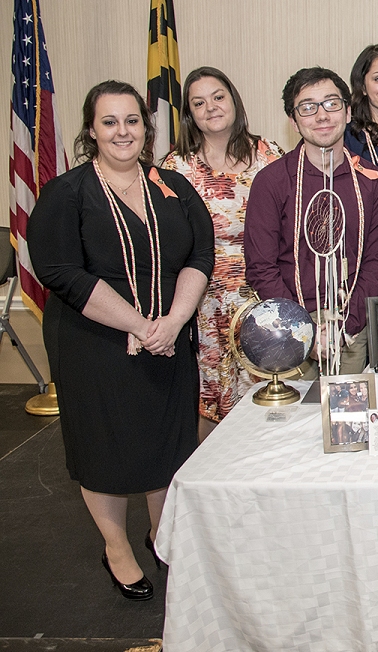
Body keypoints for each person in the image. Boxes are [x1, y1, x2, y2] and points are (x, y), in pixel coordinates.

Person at [27, 80, 215, 600]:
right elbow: (60, 271)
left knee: (166, 444)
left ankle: (161, 534)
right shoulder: (67, 193)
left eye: (131, 120)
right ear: (92, 129)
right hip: (95, 344)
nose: (122, 131)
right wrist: (137, 325)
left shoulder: (173, 187)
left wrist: (172, 323)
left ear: (145, 127)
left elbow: (200, 256)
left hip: (170, 339)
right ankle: (116, 547)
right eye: (109, 122)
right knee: (104, 446)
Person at [160, 67, 284, 436]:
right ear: (189, 114)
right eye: (199, 102)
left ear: (234, 101)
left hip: (264, 290)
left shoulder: (271, 155)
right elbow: (169, 241)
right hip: (203, 299)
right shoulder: (175, 167)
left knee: (268, 391)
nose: (211, 107)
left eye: (218, 97)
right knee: (211, 392)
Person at [245, 68, 378, 378]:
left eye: (331, 104)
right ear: (293, 121)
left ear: (348, 112)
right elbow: (260, 267)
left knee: (348, 423)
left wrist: (345, 324)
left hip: (350, 327)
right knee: (295, 425)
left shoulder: (371, 181)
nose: (322, 115)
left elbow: (376, 262)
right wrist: (302, 330)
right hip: (287, 328)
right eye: (308, 107)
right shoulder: (272, 181)